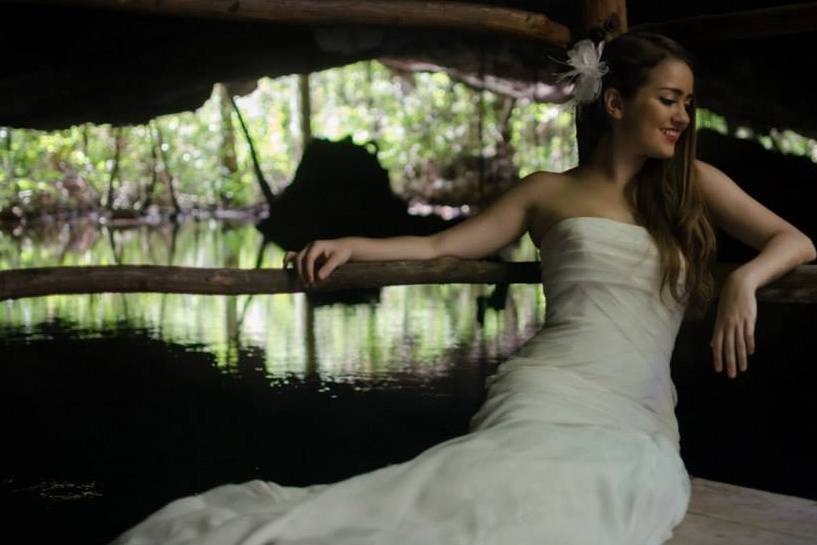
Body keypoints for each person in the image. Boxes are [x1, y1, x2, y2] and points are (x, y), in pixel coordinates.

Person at [113, 32, 816, 545]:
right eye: (668, 99)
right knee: (476, 504)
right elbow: (440, 244)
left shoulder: (691, 186)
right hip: (548, 389)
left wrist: (743, 281)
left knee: (610, 493)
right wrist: (352, 243)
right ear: (612, 100)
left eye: (687, 103)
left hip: (634, 415)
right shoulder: (547, 190)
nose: (681, 117)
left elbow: (796, 239)